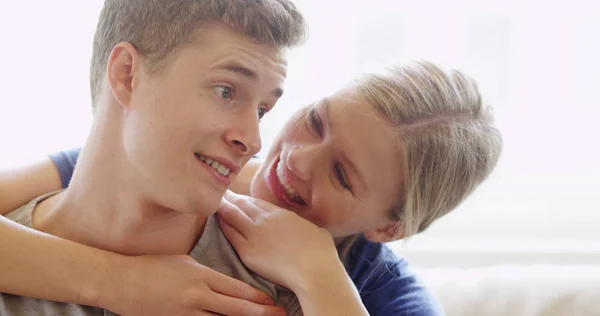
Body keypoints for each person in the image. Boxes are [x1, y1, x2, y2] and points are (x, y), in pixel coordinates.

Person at [1, 59, 503, 315]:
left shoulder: (383, 288)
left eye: (342, 175)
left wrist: (321, 277)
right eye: (316, 121)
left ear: (387, 227)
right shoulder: (181, 166)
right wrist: (124, 282)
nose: (298, 159)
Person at [0, 0, 310, 315]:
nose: (253, 140)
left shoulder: (283, 291)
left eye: (261, 111)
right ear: (126, 75)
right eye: (226, 91)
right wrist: (119, 281)